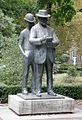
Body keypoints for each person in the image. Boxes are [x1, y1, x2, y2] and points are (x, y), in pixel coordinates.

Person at [29, 10, 59, 97]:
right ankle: (38, 90)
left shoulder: (51, 29)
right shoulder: (34, 28)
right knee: (38, 74)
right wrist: (41, 39)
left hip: (49, 54)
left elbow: (57, 40)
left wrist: (52, 43)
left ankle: (50, 89)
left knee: (50, 74)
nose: (44, 20)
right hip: (39, 54)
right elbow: (31, 40)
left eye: (45, 19)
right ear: (39, 18)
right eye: (42, 18)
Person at [19, 13, 35, 95]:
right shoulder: (23, 32)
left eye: (31, 22)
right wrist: (24, 54)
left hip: (34, 53)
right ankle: (24, 88)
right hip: (27, 52)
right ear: (26, 22)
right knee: (25, 72)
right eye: (28, 22)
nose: (30, 23)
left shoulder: (35, 32)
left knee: (35, 72)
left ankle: (33, 88)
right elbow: (19, 44)